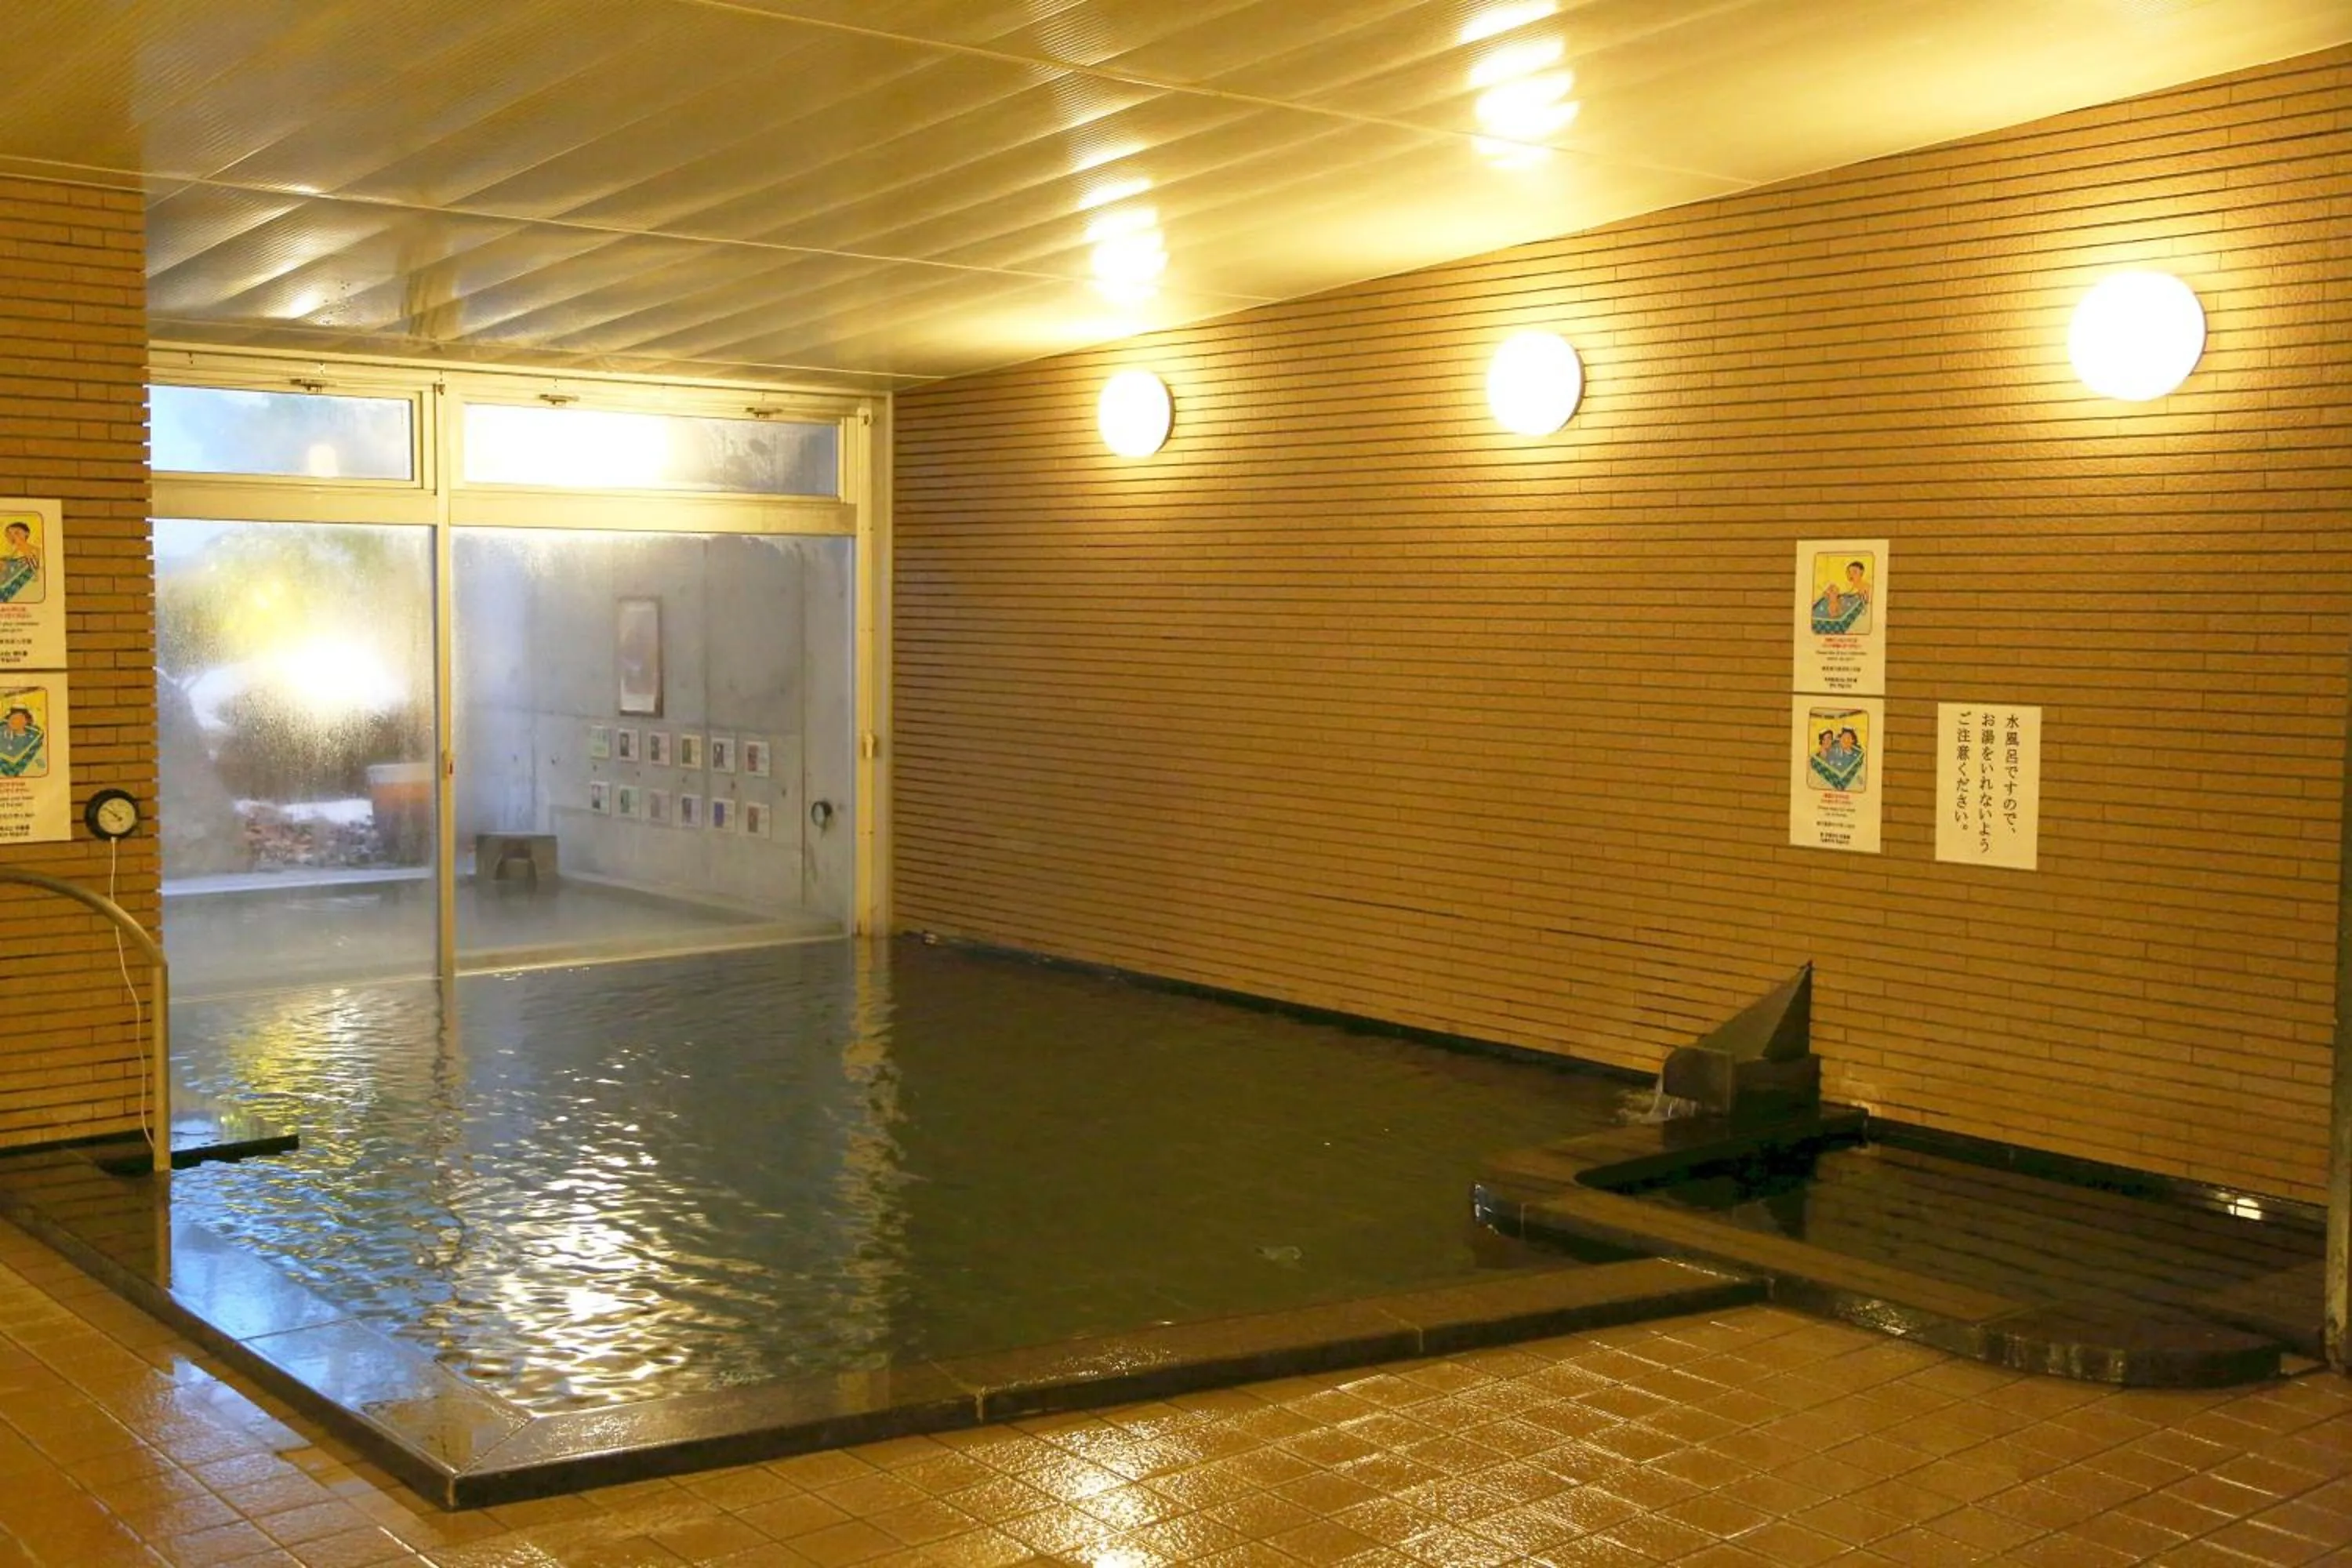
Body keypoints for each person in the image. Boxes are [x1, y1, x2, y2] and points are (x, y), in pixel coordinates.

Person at [0, 521, 38, 604]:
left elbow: (35, 569)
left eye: (17, 533)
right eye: (10, 534)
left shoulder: (33, 550)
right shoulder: (15, 552)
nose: (13, 536)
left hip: (19, 582)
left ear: (27, 533)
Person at [0, 703, 44, 778]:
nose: (15, 721)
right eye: (12, 718)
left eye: (19, 719)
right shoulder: (4, 729)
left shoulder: (31, 737)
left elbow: (13, 771)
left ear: (26, 721)